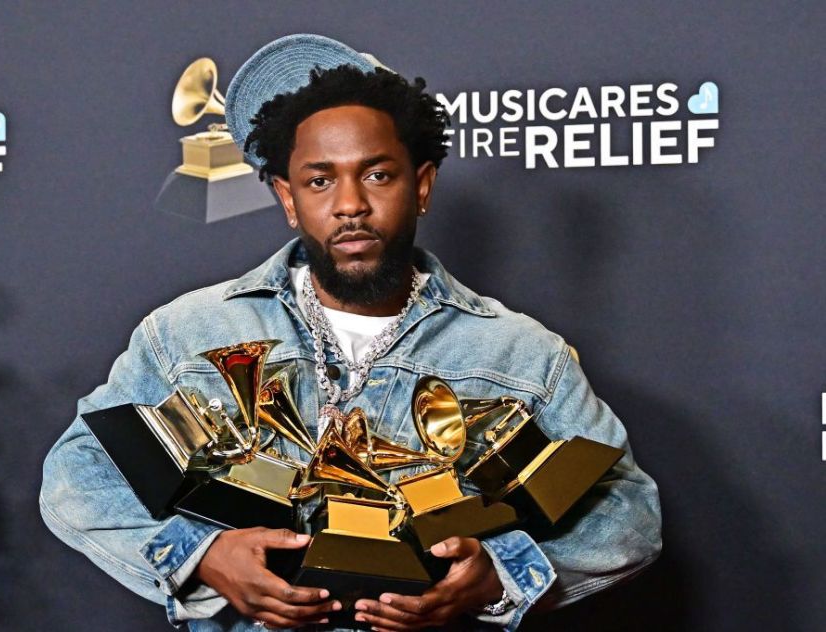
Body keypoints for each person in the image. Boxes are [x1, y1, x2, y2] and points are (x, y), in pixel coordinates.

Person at [39, 33, 662, 631]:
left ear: (422, 185)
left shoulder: (523, 353)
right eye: (319, 180)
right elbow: (77, 472)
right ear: (288, 199)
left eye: (377, 175)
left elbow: (629, 515)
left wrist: (498, 578)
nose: (349, 205)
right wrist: (200, 556)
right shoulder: (186, 332)